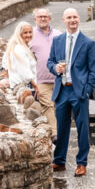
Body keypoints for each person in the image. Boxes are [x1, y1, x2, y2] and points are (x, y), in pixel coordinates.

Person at [47, 8, 95, 177]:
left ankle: (82, 163)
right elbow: (50, 62)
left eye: (75, 17)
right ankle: (59, 161)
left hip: (79, 92)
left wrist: (86, 91)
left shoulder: (88, 43)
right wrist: (55, 68)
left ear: (79, 19)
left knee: (83, 128)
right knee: (62, 128)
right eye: (69, 17)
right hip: (62, 90)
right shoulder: (57, 40)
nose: (72, 20)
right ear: (63, 19)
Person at [28, 8, 62, 136]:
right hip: (40, 80)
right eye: (40, 17)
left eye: (45, 16)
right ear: (35, 19)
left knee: (59, 108)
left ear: (50, 18)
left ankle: (58, 131)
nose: (42, 19)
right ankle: (55, 134)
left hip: (59, 79)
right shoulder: (30, 35)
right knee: (48, 105)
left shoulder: (58, 34)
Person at [1, 22, 37, 92]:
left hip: (21, 87)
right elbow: (25, 72)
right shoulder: (20, 49)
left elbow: (4, 65)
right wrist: (35, 86)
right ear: (20, 34)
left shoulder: (21, 46)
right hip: (25, 88)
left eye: (30, 32)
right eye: (25, 33)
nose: (28, 35)